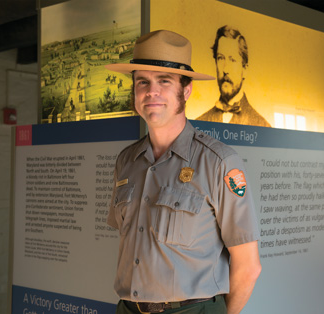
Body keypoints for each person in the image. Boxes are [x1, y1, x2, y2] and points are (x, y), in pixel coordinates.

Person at [105, 30, 261, 314]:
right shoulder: (126, 161)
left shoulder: (219, 162)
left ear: (185, 90)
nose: (151, 92)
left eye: (164, 81)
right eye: (143, 82)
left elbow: (248, 265)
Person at [197, 25, 271, 127]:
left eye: (232, 60)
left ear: (244, 69)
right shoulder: (200, 124)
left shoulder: (263, 126)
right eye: (220, 58)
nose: (225, 69)